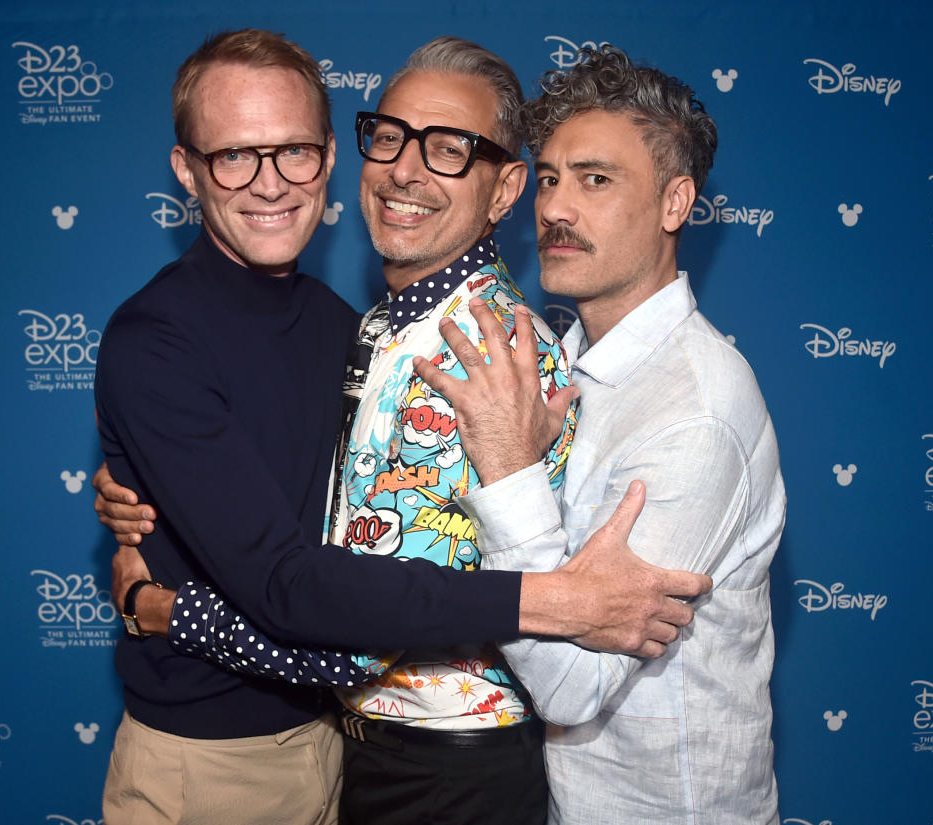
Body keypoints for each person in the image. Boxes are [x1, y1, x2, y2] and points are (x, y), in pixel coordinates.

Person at [95, 31, 710, 825]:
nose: (407, 169)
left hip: (441, 772)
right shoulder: (369, 328)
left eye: (451, 148)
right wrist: (137, 492)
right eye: (389, 139)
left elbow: (348, 633)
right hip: (309, 753)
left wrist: (158, 606)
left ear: (503, 190)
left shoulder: (487, 354)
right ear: (189, 169)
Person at [417, 45, 786, 824]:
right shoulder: (559, 364)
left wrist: (508, 466)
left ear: (674, 203)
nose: (553, 207)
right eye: (547, 178)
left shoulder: (696, 411)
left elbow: (572, 686)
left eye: (595, 179)